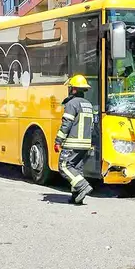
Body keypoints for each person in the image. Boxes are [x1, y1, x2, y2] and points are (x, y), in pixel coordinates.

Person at [54, 75, 95, 205]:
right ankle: (77, 196)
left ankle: (83, 186)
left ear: (74, 90)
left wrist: (58, 141)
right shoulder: (88, 104)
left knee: (64, 166)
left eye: (70, 87)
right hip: (85, 144)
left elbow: (66, 124)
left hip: (73, 143)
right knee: (76, 169)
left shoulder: (72, 104)